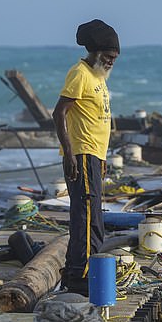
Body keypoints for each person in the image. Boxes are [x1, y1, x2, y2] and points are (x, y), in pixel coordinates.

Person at [53, 19, 119, 296]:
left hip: (95, 155)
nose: (111, 63)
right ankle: (80, 275)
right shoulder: (80, 73)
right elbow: (59, 113)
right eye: (107, 57)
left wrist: (102, 159)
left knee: (93, 217)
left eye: (114, 59)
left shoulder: (99, 79)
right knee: (86, 216)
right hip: (81, 154)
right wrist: (69, 152)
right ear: (93, 52)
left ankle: (77, 270)